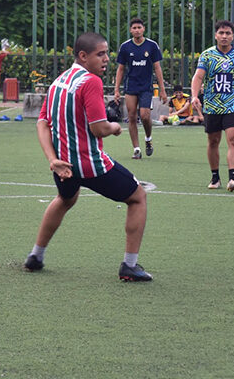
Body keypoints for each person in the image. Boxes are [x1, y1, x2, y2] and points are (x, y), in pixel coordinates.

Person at [23, 31, 152, 282]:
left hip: (63, 165)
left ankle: (36, 255)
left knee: (65, 198)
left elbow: (41, 123)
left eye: (107, 54)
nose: (106, 59)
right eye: (100, 54)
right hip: (90, 164)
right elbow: (99, 128)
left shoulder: (58, 82)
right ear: (83, 56)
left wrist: (52, 159)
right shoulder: (90, 81)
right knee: (138, 197)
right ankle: (130, 265)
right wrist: (115, 128)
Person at [190, 20, 234, 191]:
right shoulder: (207, 55)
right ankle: (215, 176)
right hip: (212, 105)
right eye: (221, 33)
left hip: (233, 105)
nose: (224, 36)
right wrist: (195, 96)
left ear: (233, 36)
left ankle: (233, 177)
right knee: (213, 141)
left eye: (228, 33)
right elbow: (198, 77)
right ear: (216, 35)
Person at [114, 18, 167, 159]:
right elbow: (120, 69)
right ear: (131, 30)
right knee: (131, 116)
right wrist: (116, 90)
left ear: (143, 29)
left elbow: (157, 67)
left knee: (144, 115)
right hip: (131, 86)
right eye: (134, 28)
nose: (137, 30)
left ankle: (148, 139)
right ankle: (136, 149)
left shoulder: (152, 46)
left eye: (139, 27)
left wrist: (162, 90)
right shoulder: (125, 47)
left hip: (146, 87)